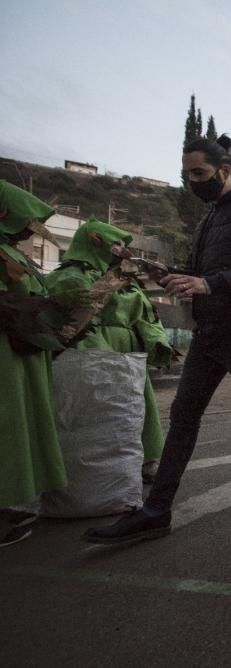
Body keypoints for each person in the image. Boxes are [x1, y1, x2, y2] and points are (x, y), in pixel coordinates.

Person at [84, 134, 231, 545]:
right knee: (184, 416)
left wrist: (209, 283)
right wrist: (167, 273)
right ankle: (156, 511)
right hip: (209, 332)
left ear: (224, 171)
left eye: (199, 173)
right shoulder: (211, 217)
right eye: (186, 174)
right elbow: (204, 273)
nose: (192, 181)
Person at [46, 218, 175, 483]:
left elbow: (145, 316)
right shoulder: (67, 277)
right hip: (88, 353)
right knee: (93, 410)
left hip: (126, 354)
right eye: (115, 243)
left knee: (135, 406)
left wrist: (157, 342)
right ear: (95, 240)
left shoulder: (125, 281)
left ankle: (145, 459)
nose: (121, 249)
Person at [0, 181, 68, 547]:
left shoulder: (13, 252)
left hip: (19, 347)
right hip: (6, 348)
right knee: (6, 422)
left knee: (19, 422)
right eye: (27, 221)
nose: (31, 230)